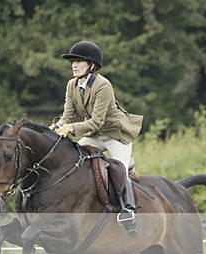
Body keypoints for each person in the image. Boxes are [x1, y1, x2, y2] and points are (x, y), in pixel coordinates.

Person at [52, 40, 144, 235]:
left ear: (91, 65)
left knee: (119, 171)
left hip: (115, 135)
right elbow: (68, 115)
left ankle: (128, 210)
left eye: (79, 61)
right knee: (74, 159)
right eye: (72, 62)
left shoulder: (103, 85)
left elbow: (97, 122)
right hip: (94, 135)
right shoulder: (72, 85)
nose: (74, 65)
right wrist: (55, 127)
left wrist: (70, 128)